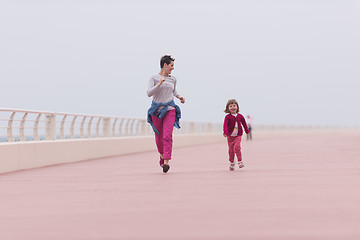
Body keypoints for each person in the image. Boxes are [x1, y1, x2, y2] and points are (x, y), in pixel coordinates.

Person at [147, 55, 185, 173]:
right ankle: (162, 156)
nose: (173, 68)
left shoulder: (173, 79)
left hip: (170, 108)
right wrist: (158, 84)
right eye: (171, 65)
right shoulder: (154, 78)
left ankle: (166, 161)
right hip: (156, 110)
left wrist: (179, 97)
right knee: (159, 137)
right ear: (165, 65)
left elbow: (173, 91)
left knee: (167, 136)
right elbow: (149, 93)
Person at [223, 99, 249, 171]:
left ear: (237, 107)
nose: (232, 107)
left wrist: (246, 130)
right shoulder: (227, 117)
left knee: (237, 147)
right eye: (230, 106)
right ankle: (231, 162)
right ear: (228, 108)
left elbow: (244, 124)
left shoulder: (240, 116)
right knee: (231, 150)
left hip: (238, 135)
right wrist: (225, 132)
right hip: (230, 136)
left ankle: (240, 161)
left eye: (234, 106)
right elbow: (225, 125)